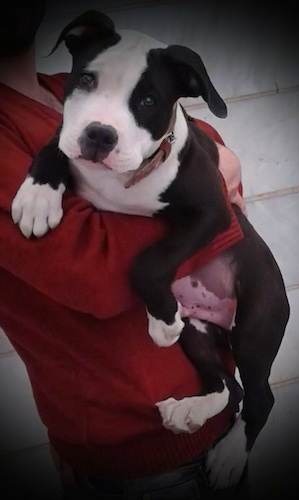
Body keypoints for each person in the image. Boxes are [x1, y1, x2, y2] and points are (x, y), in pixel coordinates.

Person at [0, 2, 249, 499]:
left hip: (211, 418)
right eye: (89, 85)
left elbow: (185, 138)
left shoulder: (67, 84)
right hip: (138, 461)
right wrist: (210, 204)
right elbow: (93, 274)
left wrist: (219, 153)